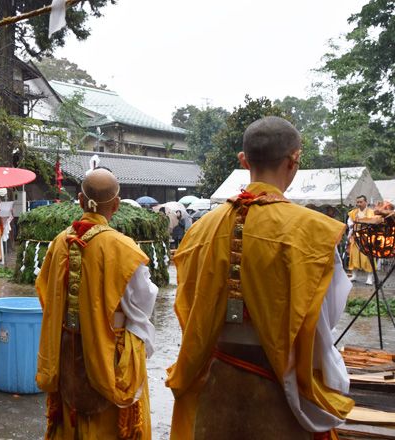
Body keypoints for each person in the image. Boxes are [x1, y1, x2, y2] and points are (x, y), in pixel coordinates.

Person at [166, 116, 354, 439]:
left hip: (217, 387)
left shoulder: (200, 231)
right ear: (293, 161)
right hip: (277, 394)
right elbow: (321, 322)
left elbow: (189, 308)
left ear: (244, 160)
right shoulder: (314, 234)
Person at [36, 168, 158, 439]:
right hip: (108, 353)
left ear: (80, 200)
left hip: (67, 347)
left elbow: (45, 292)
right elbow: (143, 302)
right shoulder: (123, 248)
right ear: (116, 204)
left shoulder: (59, 242)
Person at [347, 195, 374, 285]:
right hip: (356, 238)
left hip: (367, 238)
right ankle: (354, 275)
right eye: (357, 202)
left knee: (367, 258)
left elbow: (373, 223)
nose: (359, 204)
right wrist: (353, 224)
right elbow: (350, 222)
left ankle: (370, 278)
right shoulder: (353, 212)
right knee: (354, 257)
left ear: (365, 202)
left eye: (361, 202)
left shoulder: (371, 212)